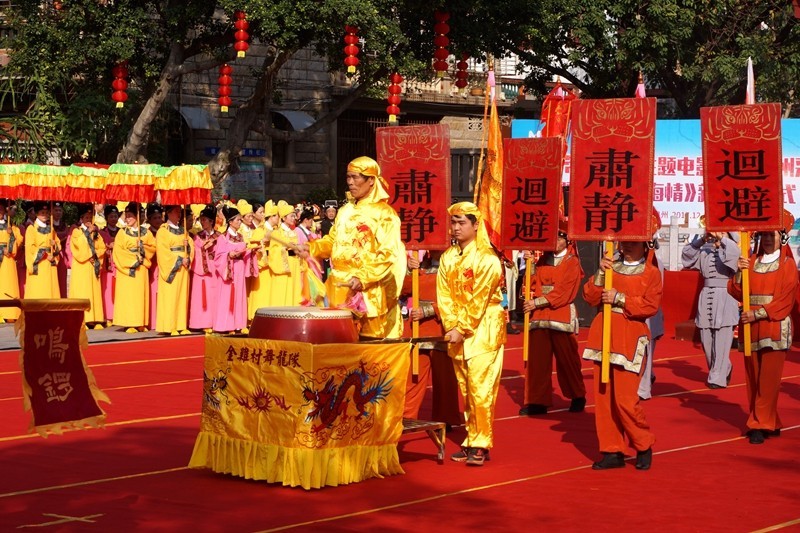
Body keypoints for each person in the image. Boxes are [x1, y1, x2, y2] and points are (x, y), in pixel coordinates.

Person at [582, 216, 661, 471]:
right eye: (625, 241)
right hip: (603, 334)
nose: (627, 245)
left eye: (633, 242)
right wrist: (600, 273)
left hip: (630, 337)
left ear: (645, 244)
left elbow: (650, 306)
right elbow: (590, 296)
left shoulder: (651, 273)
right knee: (603, 399)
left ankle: (643, 442)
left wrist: (620, 297)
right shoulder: (610, 266)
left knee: (626, 400)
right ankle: (611, 450)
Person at [438, 202, 506, 466]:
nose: (455, 228)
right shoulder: (448, 257)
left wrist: (461, 326)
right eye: (453, 223)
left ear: (476, 225)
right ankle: (473, 438)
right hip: (458, 329)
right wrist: (451, 325)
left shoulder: (488, 259)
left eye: (461, 223)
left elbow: (479, 299)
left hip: (484, 327)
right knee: (467, 388)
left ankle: (479, 442)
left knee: (481, 388)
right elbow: (444, 296)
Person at [306, 157, 406, 339]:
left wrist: (363, 277)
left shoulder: (385, 214)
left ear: (371, 180)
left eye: (355, 177)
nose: (350, 182)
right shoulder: (345, 211)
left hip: (370, 291)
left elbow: (388, 254)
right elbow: (332, 241)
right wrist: (310, 248)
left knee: (370, 351)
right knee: (338, 344)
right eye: (348, 177)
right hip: (338, 288)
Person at [728, 211, 798, 445]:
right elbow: (736, 291)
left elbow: (785, 301)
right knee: (752, 376)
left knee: (769, 378)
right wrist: (739, 271)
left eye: (772, 235)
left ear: (782, 238)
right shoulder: (752, 261)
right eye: (764, 235)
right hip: (750, 324)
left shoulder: (787, 265)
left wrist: (757, 313)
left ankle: (759, 423)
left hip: (773, 325)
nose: (767, 240)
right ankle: (770, 419)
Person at [518, 219, 586, 415]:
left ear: (567, 240)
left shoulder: (572, 262)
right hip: (539, 316)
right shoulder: (541, 261)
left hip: (561, 315)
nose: (555, 241)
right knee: (537, 362)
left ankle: (577, 395)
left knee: (568, 361)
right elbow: (530, 285)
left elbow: (563, 293)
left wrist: (537, 302)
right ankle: (537, 400)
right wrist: (529, 265)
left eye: (559, 237)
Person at [403, 251, 462, 427]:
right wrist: (408, 271)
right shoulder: (421, 265)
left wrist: (428, 310)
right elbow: (403, 290)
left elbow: (459, 299)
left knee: (445, 381)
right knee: (412, 378)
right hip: (418, 329)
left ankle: (446, 420)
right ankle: (406, 417)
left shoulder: (457, 264)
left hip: (443, 328)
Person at [682, 226, 741, 389]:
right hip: (706, 294)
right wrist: (702, 239)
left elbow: (734, 258)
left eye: (722, 231)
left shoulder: (733, 247)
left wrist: (722, 239)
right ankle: (724, 367)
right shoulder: (705, 249)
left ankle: (718, 378)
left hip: (725, 295)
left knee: (722, 339)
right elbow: (686, 257)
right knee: (706, 339)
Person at [113, 203, 156, 333]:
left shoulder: (146, 233)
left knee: (139, 295)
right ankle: (129, 322)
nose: (128, 218)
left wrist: (142, 248)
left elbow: (153, 248)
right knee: (128, 295)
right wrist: (134, 260)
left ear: (137, 216)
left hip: (141, 268)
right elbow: (118, 252)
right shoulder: (121, 232)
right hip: (128, 268)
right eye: (127, 216)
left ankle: (140, 321)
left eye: (131, 215)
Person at [156, 205, 194, 335]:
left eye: (180, 211)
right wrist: (179, 260)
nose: (179, 214)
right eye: (176, 211)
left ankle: (181, 324)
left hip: (183, 267)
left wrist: (188, 249)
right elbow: (163, 251)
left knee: (182, 295)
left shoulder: (183, 231)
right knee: (170, 296)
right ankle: (169, 325)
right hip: (173, 266)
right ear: (168, 213)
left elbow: (191, 248)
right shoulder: (163, 231)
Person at [213, 205, 251, 334]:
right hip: (228, 269)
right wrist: (228, 255)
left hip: (239, 267)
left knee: (239, 295)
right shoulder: (223, 237)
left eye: (240, 220)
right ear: (230, 222)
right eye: (238, 220)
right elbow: (217, 257)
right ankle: (226, 324)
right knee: (228, 295)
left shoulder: (240, 236)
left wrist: (251, 250)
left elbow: (245, 252)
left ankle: (239, 323)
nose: (240, 222)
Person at [68, 203, 106, 328]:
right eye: (86, 218)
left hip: (92, 264)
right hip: (82, 266)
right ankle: (82, 318)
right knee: (83, 291)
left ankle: (95, 318)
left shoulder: (96, 233)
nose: (88, 220)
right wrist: (87, 235)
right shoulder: (76, 232)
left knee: (94, 291)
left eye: (90, 217)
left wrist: (95, 255)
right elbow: (77, 247)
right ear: (81, 219)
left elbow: (102, 247)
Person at [188, 206, 220, 332]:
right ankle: (200, 322)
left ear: (211, 221)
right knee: (202, 296)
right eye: (201, 219)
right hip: (202, 269)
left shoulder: (219, 236)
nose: (202, 222)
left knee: (214, 296)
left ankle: (214, 321)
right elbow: (195, 251)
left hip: (216, 269)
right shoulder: (197, 236)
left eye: (205, 220)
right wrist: (203, 248)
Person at [267, 200, 302, 306]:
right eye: (291, 216)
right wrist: (284, 247)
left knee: (294, 291)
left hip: (294, 266)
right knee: (282, 292)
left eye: (294, 216)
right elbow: (273, 252)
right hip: (284, 266)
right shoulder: (277, 233)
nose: (294, 218)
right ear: (284, 218)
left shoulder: (294, 232)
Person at [247, 200, 278, 319]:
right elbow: (252, 247)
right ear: (272, 217)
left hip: (273, 267)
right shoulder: (259, 230)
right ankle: (256, 317)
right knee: (261, 293)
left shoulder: (276, 231)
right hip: (263, 268)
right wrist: (262, 243)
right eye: (277, 216)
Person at [24, 201, 61, 299]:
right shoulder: (31, 229)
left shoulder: (51, 228)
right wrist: (45, 255)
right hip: (39, 263)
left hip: (51, 262)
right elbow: (30, 248)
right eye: (42, 213)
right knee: (39, 290)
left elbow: (58, 245)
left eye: (46, 213)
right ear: (36, 213)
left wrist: (55, 246)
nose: (45, 215)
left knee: (51, 290)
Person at [0, 200, 23, 322]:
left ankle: (9, 313)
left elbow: (18, 242)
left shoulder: (12, 226)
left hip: (7, 260)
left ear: (5, 211)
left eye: (1, 209)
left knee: (7, 284)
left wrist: (12, 234)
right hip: (1, 255)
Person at [99, 204, 121, 325]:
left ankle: (117, 315)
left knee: (116, 289)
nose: (113, 218)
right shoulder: (102, 232)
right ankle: (108, 315)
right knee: (107, 289)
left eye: (115, 216)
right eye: (111, 216)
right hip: (107, 263)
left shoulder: (121, 232)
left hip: (118, 263)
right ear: (106, 218)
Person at [146, 203, 163, 330]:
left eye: (159, 217)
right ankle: (152, 320)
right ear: (149, 219)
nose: (158, 220)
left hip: (163, 265)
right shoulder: (147, 233)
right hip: (152, 265)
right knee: (152, 291)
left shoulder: (164, 231)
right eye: (155, 218)